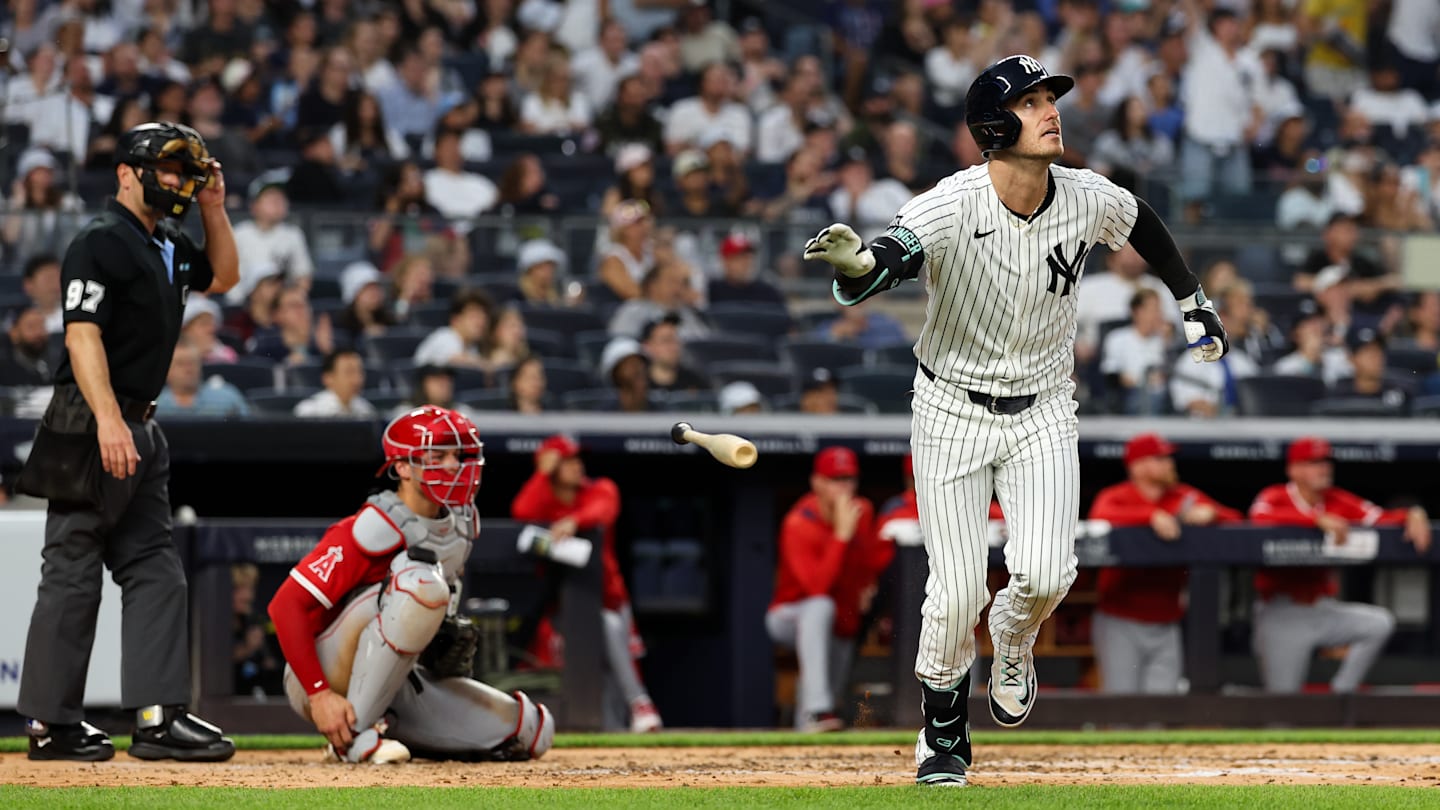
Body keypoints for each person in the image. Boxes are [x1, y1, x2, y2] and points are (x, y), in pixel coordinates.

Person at [801, 55, 1230, 786]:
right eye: (1029, 103)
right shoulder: (951, 202)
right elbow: (887, 261)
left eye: (1049, 98)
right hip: (951, 409)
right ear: (993, 126)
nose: (1050, 110)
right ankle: (943, 735)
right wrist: (854, 266)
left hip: (1044, 408)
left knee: (1047, 574)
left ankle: (1012, 637)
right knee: (956, 591)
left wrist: (1192, 299)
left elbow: (1143, 222)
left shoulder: (1085, 195)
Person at [14, 122, 240, 762]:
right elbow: (81, 334)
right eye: (166, 169)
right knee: (73, 571)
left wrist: (214, 207)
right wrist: (109, 420)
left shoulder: (167, 241)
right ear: (125, 174)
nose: (176, 182)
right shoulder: (99, 241)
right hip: (92, 420)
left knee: (156, 568)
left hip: (141, 425)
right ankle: (51, 724)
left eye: (183, 172)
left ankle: (158, 717)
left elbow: (224, 277)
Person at [267, 406, 555, 762]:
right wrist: (319, 694)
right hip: (323, 676)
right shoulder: (372, 527)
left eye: (457, 455)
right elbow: (285, 606)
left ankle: (385, 729)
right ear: (402, 467)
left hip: (398, 679)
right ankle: (351, 739)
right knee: (418, 584)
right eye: (437, 456)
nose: (453, 465)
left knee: (530, 730)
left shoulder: (460, 526)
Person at [1248, 437, 1432, 694]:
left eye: (1326, 462)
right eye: (1314, 463)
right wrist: (1315, 520)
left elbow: (1380, 518)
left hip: (1322, 608)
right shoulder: (1275, 496)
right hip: (1282, 612)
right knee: (1283, 703)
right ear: (1294, 469)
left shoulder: (1337, 499)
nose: (1324, 468)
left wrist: (1413, 513)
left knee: (1378, 623)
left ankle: (1342, 692)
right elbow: (1258, 517)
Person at [511, 435, 664, 734]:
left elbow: (604, 509)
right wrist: (541, 474)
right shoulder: (544, 499)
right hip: (563, 605)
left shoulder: (599, 489)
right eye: (567, 461)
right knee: (588, 665)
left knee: (618, 659)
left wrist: (574, 520)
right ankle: (637, 707)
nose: (577, 466)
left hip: (609, 597)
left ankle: (627, 721)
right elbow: (521, 511)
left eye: (577, 459)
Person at [1087, 434, 1242, 695]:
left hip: (1167, 622)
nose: (1170, 463)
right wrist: (1150, 515)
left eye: (1168, 457)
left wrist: (1212, 513)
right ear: (1137, 466)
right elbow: (1099, 516)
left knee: (1164, 706)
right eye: (1160, 458)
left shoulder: (1183, 495)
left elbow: (1236, 519)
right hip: (1120, 620)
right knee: (1121, 705)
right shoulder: (1116, 496)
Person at [767, 447, 888, 732]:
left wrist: (868, 585)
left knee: (831, 699)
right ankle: (817, 710)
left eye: (849, 479)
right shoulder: (798, 522)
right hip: (788, 615)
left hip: (837, 617)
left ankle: (812, 721)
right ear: (817, 483)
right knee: (820, 608)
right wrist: (841, 535)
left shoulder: (862, 511)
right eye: (835, 480)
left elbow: (868, 561)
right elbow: (816, 588)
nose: (844, 487)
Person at [155, 341, 251, 418]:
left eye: (193, 363)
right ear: (166, 370)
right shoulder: (155, 404)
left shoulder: (227, 397)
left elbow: (248, 428)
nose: (188, 369)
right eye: (180, 364)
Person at [294, 349, 377, 418]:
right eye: (349, 372)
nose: (357, 379)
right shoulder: (310, 411)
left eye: (359, 372)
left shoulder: (366, 410)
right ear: (328, 378)